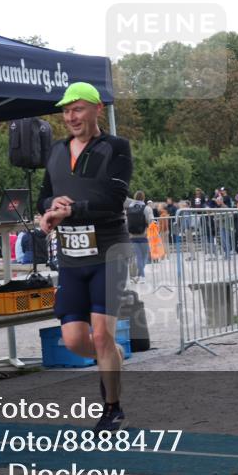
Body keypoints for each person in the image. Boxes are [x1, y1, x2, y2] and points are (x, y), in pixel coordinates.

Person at [37, 82, 132, 433]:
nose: (71, 117)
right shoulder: (56, 151)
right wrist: (50, 209)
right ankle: (112, 359)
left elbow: (113, 200)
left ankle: (112, 408)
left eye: (77, 109)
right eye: (66, 111)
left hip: (109, 252)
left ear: (96, 109)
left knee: (102, 335)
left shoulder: (116, 147)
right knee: (75, 340)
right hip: (71, 257)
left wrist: (72, 210)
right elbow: (44, 196)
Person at [127, 190, 153, 281]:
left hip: (132, 235)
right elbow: (150, 221)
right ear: (143, 198)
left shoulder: (129, 208)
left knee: (138, 256)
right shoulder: (146, 208)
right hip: (143, 235)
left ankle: (138, 275)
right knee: (145, 255)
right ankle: (141, 276)